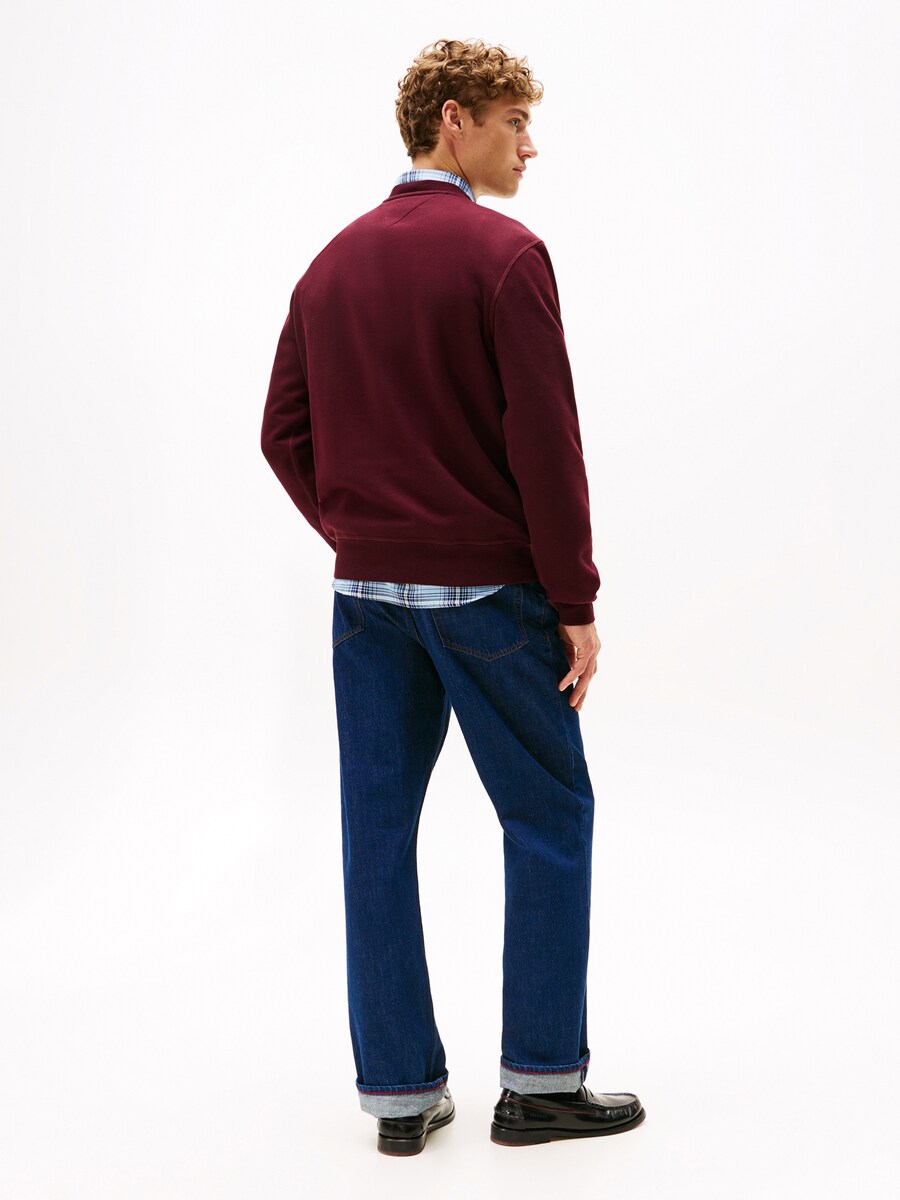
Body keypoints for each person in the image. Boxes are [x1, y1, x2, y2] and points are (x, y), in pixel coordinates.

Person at [260, 36, 645, 1156]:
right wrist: (574, 597)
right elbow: (545, 441)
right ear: (452, 123)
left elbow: (282, 432)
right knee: (549, 815)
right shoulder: (506, 256)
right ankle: (541, 1083)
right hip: (489, 600)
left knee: (375, 833)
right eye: (514, 121)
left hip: (368, 601)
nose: (530, 145)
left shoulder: (329, 265)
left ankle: (397, 1096)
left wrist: (361, 529)